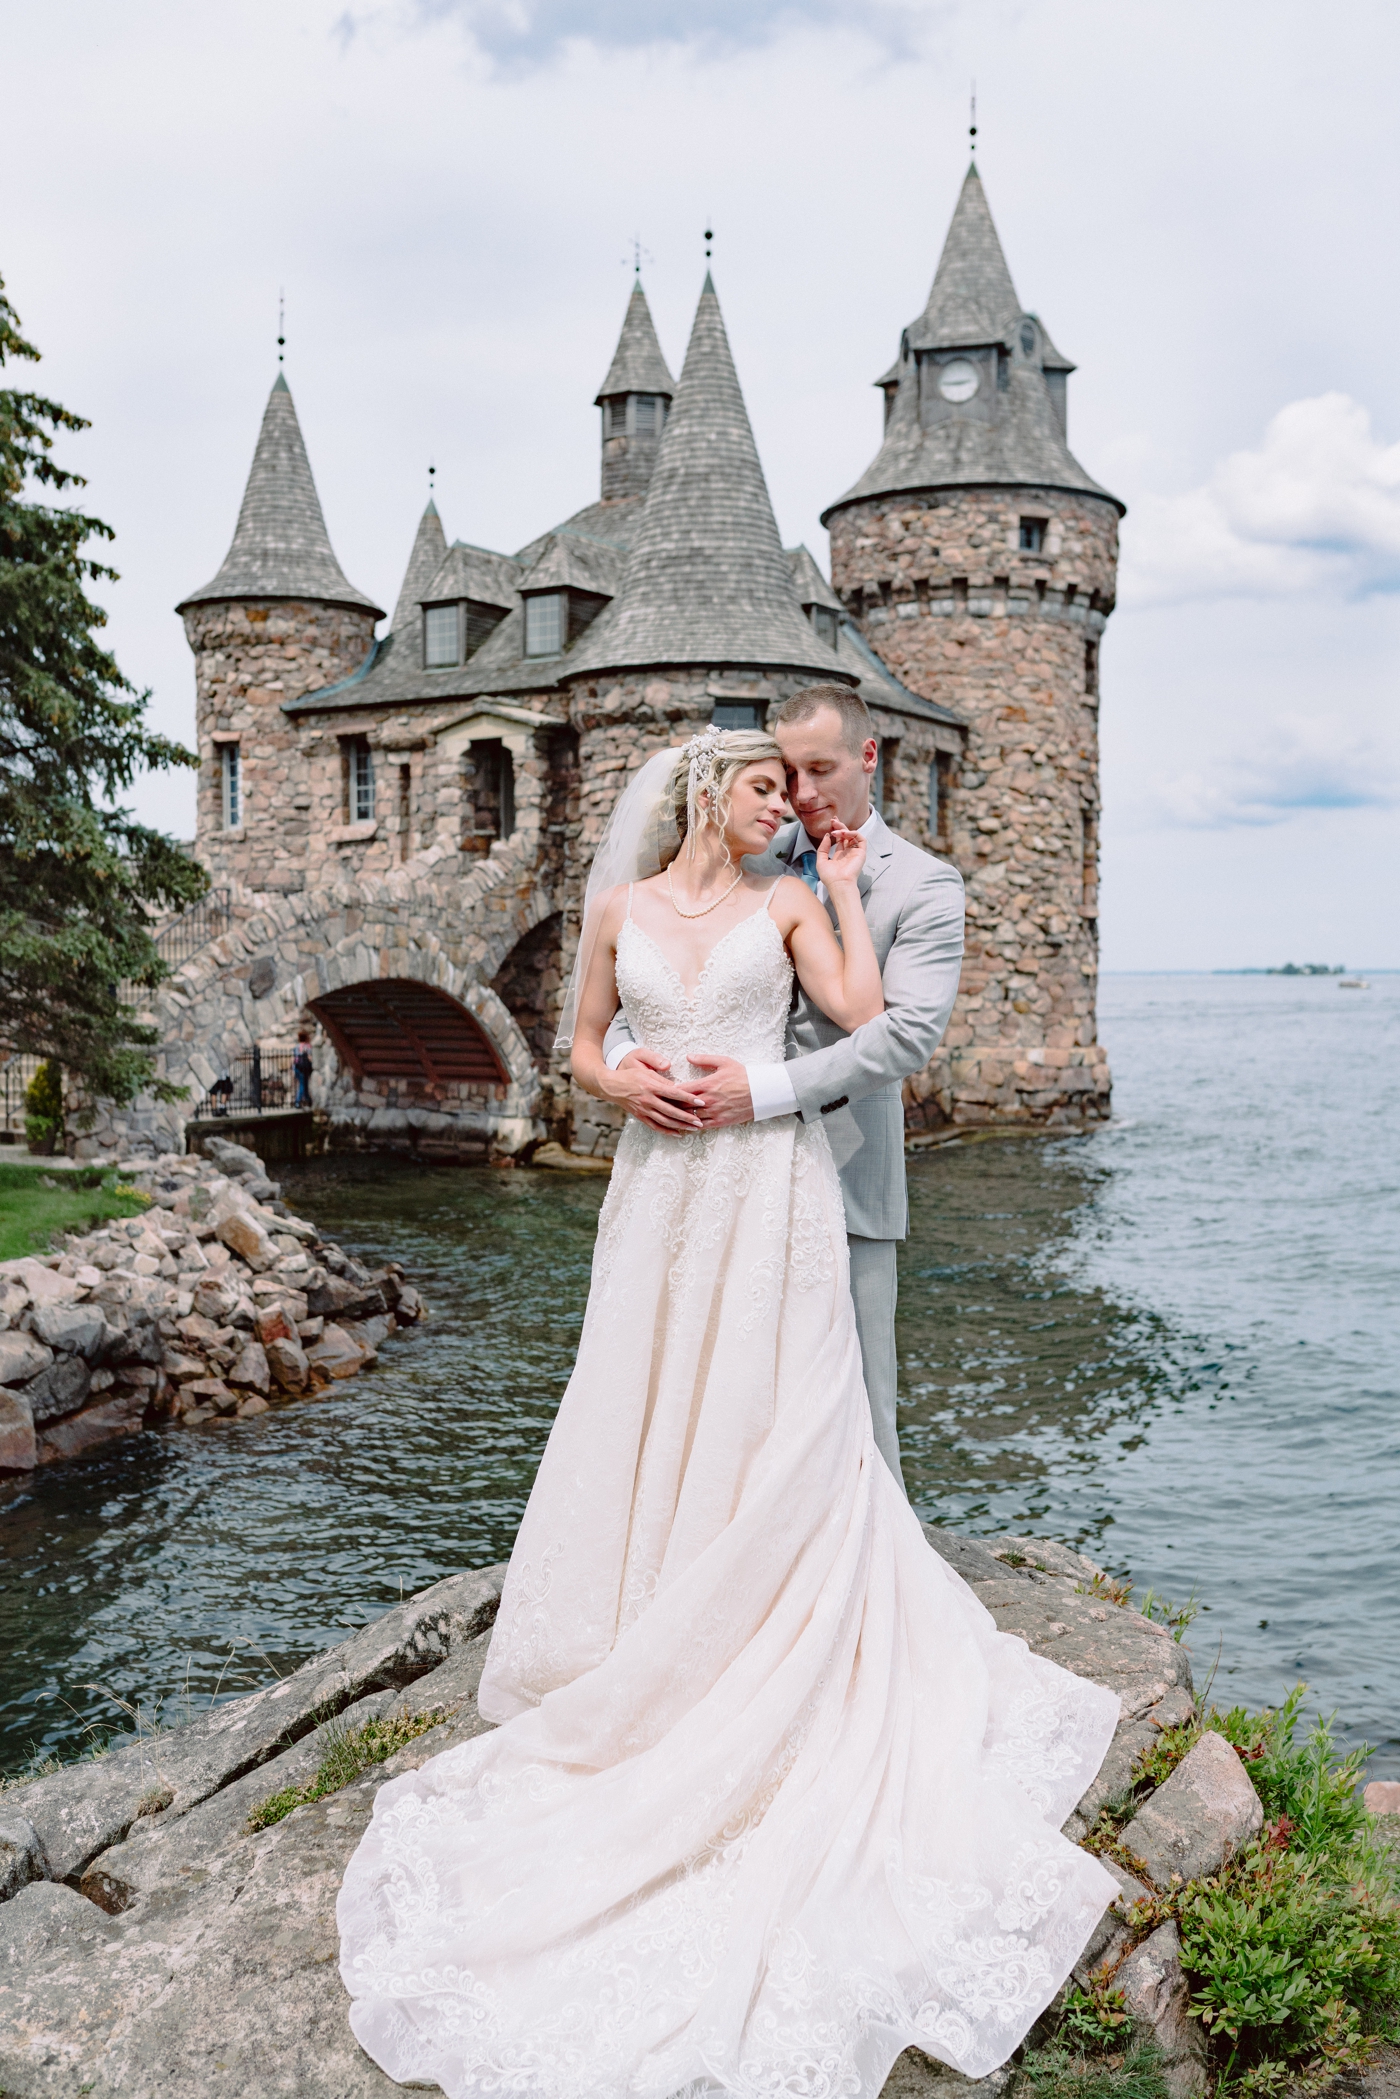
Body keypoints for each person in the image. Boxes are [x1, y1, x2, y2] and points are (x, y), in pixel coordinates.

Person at [338, 728, 1119, 2099]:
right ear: (709, 792)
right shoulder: (624, 908)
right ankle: (648, 1609)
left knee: (785, 1408)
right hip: (657, 1187)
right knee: (646, 1399)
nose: (790, 802)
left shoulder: (792, 895)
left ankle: (770, 1612)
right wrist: (622, 1077)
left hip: (769, 1182)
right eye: (770, 785)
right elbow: (579, 1045)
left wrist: (824, 875)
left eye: (800, 786)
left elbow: (873, 1016)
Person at [600, 684, 964, 1491]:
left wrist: (761, 1091)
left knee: (862, 1403)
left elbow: (901, 1036)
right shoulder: (748, 859)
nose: (800, 795)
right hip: (719, 1181)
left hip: (848, 1173)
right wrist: (627, 1062)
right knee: (727, 1398)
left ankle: (877, 1587)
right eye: (786, 773)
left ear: (870, 758)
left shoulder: (926, 887)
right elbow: (646, 986)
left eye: (820, 770)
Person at [293, 1031, 313, 1108]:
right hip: (305, 1068)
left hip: (298, 1067)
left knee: (304, 1084)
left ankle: (308, 1100)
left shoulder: (297, 1046)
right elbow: (309, 1057)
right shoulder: (307, 1046)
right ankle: (298, 1101)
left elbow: (294, 1058)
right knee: (303, 1084)